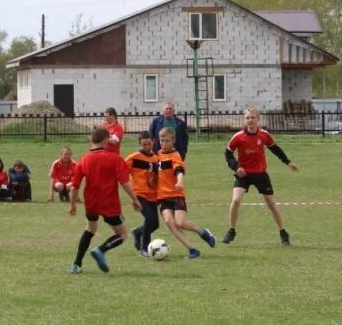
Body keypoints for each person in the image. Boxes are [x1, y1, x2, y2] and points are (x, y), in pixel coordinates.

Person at [222, 106, 299, 246]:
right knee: (235, 200)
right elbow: (228, 153)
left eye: (253, 117)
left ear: (258, 119)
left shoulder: (264, 135)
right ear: (244, 120)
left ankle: (283, 232)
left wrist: (287, 162)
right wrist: (236, 167)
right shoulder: (238, 137)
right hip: (243, 174)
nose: (250, 120)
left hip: (260, 174)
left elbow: (275, 149)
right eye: (247, 118)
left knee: (271, 203)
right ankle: (231, 230)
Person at [69, 126, 142, 274]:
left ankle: (76, 264)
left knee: (90, 228)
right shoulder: (114, 158)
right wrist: (135, 200)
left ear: (91, 139)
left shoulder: (83, 160)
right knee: (122, 235)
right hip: (109, 203)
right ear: (106, 140)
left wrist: (72, 205)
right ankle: (100, 250)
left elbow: (74, 187)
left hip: (91, 202)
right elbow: (124, 182)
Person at [156, 127, 215, 259]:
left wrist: (180, 182)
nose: (163, 144)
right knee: (169, 222)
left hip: (176, 195)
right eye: (161, 141)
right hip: (162, 197)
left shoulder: (176, 156)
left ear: (173, 140)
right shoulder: (157, 155)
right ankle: (192, 249)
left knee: (181, 223)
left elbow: (179, 170)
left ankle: (203, 233)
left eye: (166, 141)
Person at [125, 131, 160, 256]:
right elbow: (121, 168)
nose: (147, 147)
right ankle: (144, 249)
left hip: (153, 195)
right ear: (139, 144)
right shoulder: (134, 157)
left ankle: (138, 232)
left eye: (149, 144)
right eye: (144, 144)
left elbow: (158, 176)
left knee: (155, 224)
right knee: (149, 219)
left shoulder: (156, 159)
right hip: (139, 194)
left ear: (153, 142)